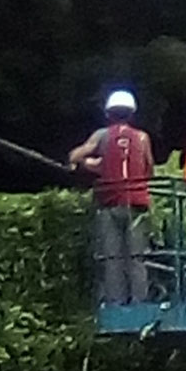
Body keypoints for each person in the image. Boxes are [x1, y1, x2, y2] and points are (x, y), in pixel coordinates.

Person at [69, 89, 155, 305]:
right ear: (132, 114)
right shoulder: (143, 138)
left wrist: (85, 163)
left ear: (109, 114)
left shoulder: (102, 135)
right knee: (137, 258)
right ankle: (139, 303)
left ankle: (115, 304)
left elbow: (76, 155)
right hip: (137, 203)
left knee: (112, 258)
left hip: (110, 203)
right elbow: (149, 169)